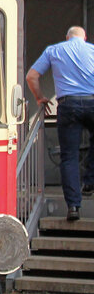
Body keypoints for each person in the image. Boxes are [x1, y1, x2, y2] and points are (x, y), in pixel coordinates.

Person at [26, 26, 94, 221]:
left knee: (69, 157)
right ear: (84, 38)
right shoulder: (92, 50)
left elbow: (31, 76)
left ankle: (73, 206)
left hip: (68, 104)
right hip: (92, 102)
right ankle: (90, 180)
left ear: (66, 37)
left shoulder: (53, 50)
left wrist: (39, 97)